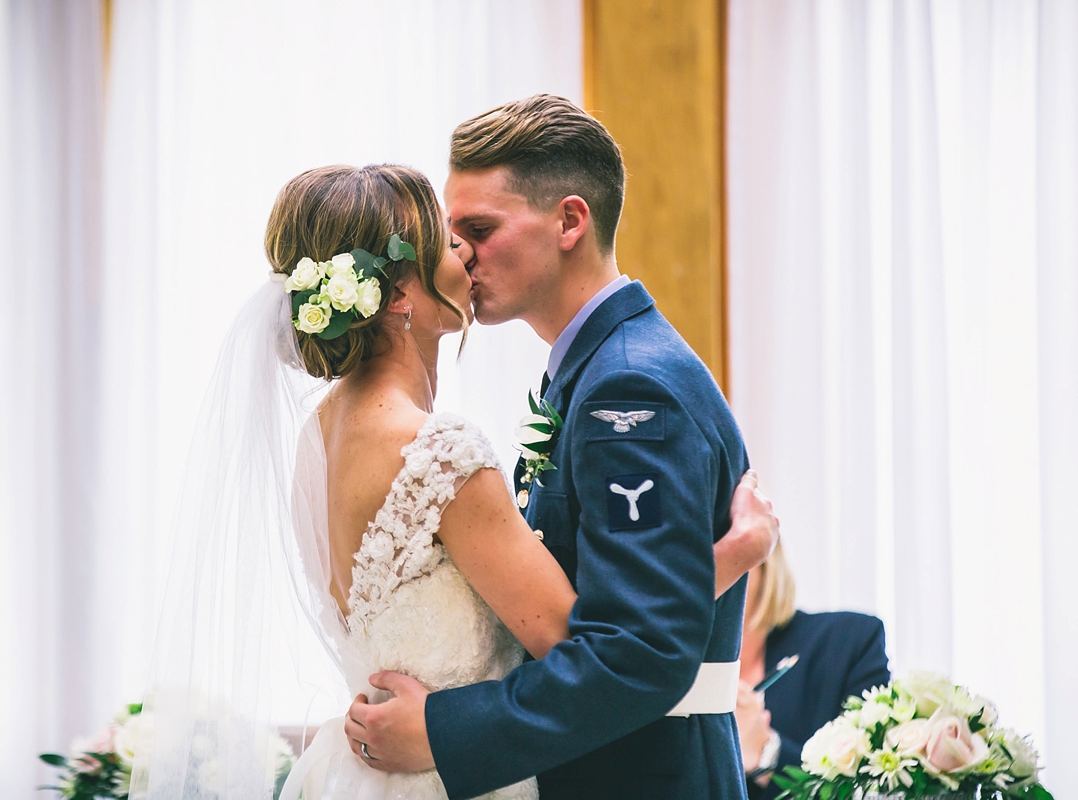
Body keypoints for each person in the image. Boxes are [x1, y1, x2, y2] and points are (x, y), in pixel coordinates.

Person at [128, 163, 778, 800]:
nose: (466, 253)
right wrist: (730, 556)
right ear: (401, 293)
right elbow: (579, 641)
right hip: (447, 772)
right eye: (447, 238)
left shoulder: (318, 437)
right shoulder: (440, 452)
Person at [346, 95, 758, 799]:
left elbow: (640, 649)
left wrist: (444, 729)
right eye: (454, 234)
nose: (459, 255)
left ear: (569, 220)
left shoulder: (630, 386)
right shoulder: (593, 370)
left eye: (480, 228)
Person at [733, 542, 890, 799]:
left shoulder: (847, 643)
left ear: (763, 558)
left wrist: (767, 752)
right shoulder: (659, 673)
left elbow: (871, 790)